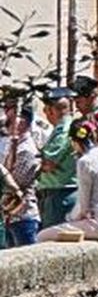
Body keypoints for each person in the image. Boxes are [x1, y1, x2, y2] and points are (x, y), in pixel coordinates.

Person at [37, 120, 98, 244]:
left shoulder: (84, 161)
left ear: (73, 141)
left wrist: (69, 219)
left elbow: (83, 207)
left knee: (42, 236)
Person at [1, 101, 41, 246]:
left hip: (23, 217)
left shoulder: (26, 150)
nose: (7, 123)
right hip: (11, 216)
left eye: (10, 119)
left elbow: (14, 183)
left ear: (22, 122)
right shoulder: (13, 145)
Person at [35, 87, 75, 229]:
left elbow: (49, 163)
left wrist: (41, 163)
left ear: (51, 110)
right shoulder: (60, 129)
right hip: (56, 192)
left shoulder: (64, 129)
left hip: (60, 193)